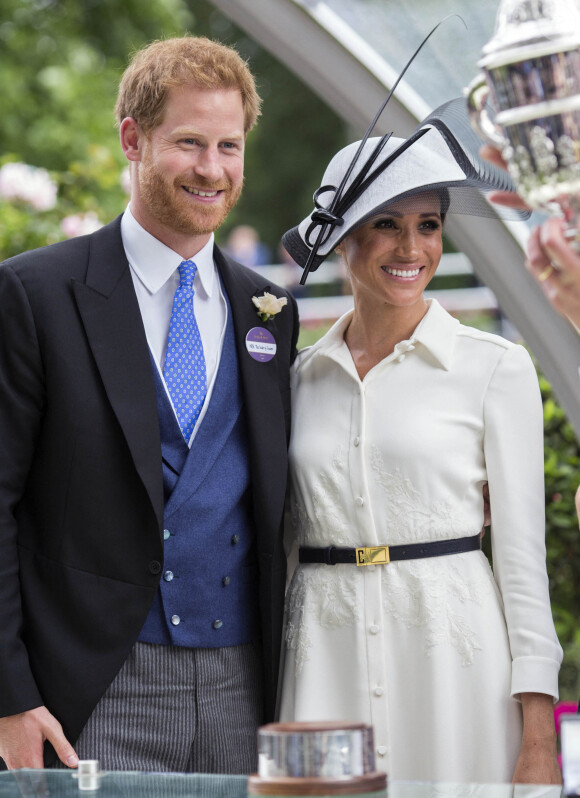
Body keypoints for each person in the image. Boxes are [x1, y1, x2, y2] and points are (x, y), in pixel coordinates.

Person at [0, 36, 299, 773]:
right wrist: (9, 696)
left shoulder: (269, 313)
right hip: (91, 692)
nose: (212, 169)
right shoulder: (33, 295)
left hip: (244, 689)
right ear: (133, 139)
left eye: (229, 146)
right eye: (189, 142)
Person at [278, 106, 563, 784]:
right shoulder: (296, 380)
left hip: (456, 676)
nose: (412, 249)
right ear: (343, 238)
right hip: (323, 666)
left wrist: (537, 737)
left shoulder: (495, 368)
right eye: (386, 225)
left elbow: (523, 566)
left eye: (428, 225)